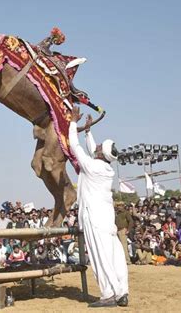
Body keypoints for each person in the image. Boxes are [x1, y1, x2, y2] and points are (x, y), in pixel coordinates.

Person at [68, 107, 129, 307]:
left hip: (95, 219)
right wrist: (88, 131)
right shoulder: (105, 168)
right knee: (115, 257)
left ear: (101, 154)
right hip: (106, 220)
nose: (97, 146)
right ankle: (122, 292)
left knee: (100, 257)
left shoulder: (92, 166)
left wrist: (72, 122)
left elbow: (74, 146)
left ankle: (109, 295)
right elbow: (93, 149)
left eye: (99, 146)